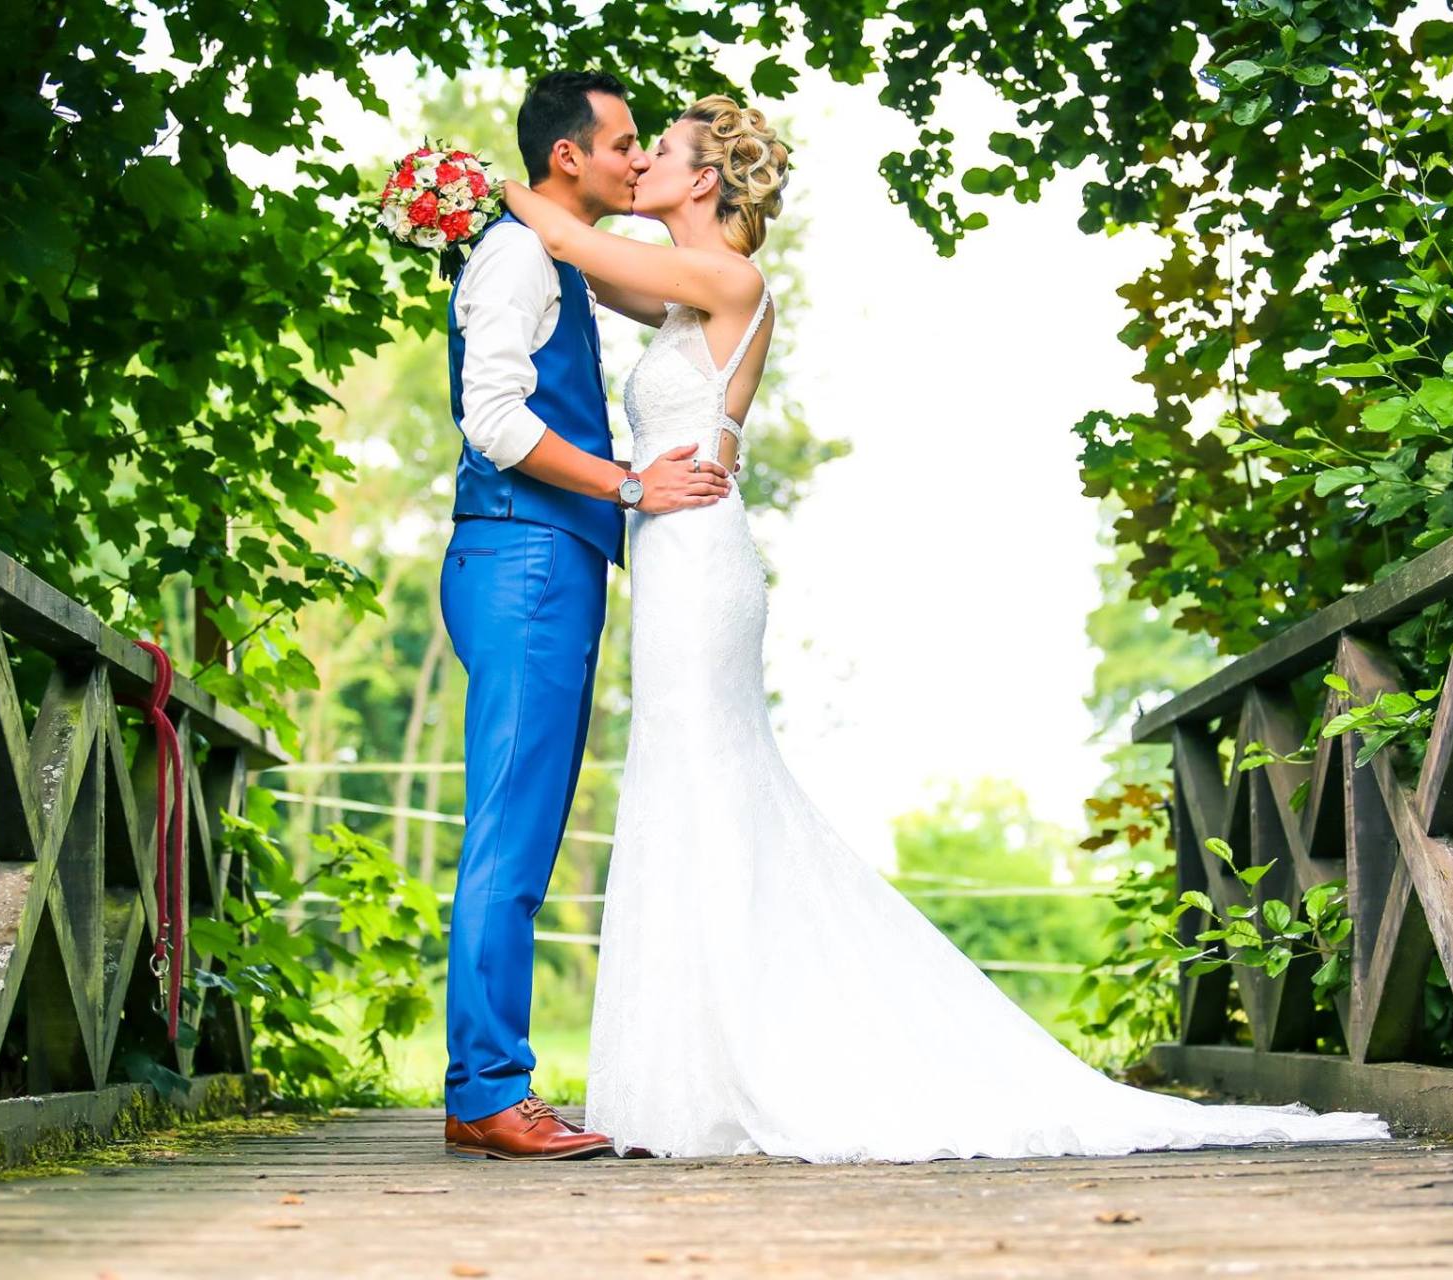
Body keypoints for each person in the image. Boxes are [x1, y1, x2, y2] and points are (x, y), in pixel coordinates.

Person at [497, 93, 1393, 1162]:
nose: (636, 164)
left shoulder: (727, 281)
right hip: (679, 552)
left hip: (699, 560)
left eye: (661, 154)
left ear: (702, 181)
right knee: (684, 781)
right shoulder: (683, 302)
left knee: (702, 777)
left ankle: (733, 1059)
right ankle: (697, 1063)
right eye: (628, 153)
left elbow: (561, 233)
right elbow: (585, 266)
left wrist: (474, 187)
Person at [437, 70, 731, 1161]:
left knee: (526, 825)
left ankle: (488, 1081)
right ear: (571, 156)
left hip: (551, 558)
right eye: (622, 144)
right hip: (524, 553)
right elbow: (496, 422)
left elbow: (679, 295)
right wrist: (626, 485)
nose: (635, 158)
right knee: (508, 830)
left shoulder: (553, 246)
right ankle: (486, 1089)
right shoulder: (517, 256)